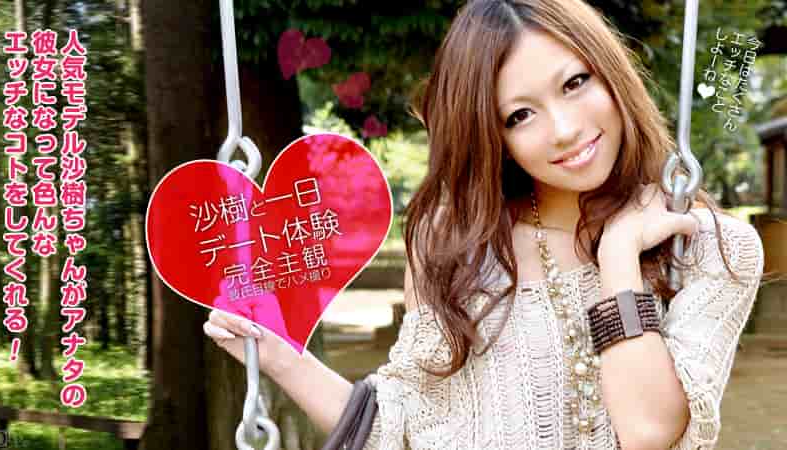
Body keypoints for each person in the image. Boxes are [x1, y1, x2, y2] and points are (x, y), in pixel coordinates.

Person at [204, 0, 765, 449]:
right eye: (519, 115)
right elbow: (401, 426)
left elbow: (648, 432)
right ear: (491, 134)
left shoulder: (708, 249)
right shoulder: (454, 247)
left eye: (575, 83)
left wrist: (619, 258)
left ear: (612, 74)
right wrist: (277, 355)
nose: (564, 129)